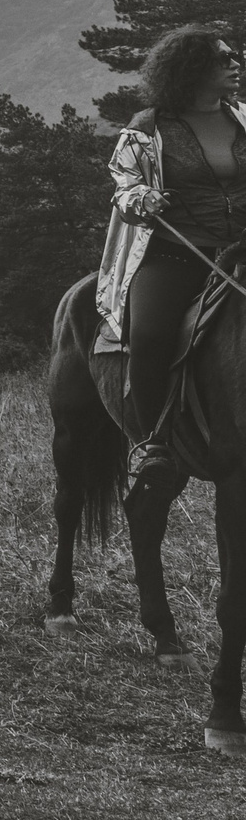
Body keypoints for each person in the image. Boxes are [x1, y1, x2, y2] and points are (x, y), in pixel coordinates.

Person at [96, 25, 245, 496]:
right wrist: (145, 198)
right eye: (224, 59)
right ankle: (153, 444)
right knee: (151, 335)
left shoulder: (244, 117)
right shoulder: (146, 130)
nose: (236, 63)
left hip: (241, 248)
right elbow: (123, 188)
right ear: (193, 70)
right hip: (177, 254)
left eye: (235, 56)